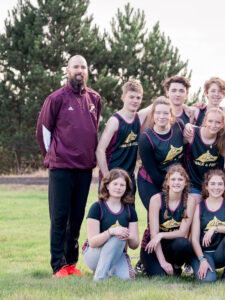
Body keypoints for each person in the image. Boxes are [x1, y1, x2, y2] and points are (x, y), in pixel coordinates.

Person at [36, 55, 102, 277]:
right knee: (59, 217)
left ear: (87, 70)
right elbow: (43, 132)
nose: (80, 70)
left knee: (76, 218)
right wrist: (52, 157)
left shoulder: (95, 98)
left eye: (83, 66)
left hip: (84, 169)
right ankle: (58, 265)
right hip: (61, 168)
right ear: (67, 70)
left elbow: (93, 130)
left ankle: (71, 264)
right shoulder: (55, 99)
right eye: (76, 66)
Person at [83, 169, 139, 280]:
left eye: (122, 185)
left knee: (127, 278)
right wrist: (110, 232)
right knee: (117, 238)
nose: (118, 187)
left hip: (117, 254)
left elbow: (134, 245)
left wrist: (128, 235)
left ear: (126, 188)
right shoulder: (97, 208)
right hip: (94, 254)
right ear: (107, 185)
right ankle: (100, 278)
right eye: (115, 184)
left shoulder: (130, 210)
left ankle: (108, 269)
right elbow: (93, 242)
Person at [140, 164, 195, 277]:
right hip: (152, 246)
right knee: (159, 276)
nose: (177, 182)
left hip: (173, 245)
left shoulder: (190, 201)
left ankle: (176, 266)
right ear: (167, 182)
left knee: (184, 244)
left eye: (180, 179)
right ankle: (152, 264)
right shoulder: (156, 199)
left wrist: (161, 235)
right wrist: (163, 262)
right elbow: (153, 234)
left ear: (185, 183)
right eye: (173, 179)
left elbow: (182, 232)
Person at [190, 170, 225, 282]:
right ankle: (199, 266)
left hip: (221, 253)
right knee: (208, 280)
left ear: (224, 187)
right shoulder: (199, 207)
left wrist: (215, 228)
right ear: (206, 187)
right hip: (203, 253)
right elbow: (193, 238)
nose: (216, 187)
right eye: (212, 184)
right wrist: (202, 260)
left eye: (220, 184)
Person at [137, 96, 188, 210]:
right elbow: (153, 173)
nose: (161, 116)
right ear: (153, 115)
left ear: (171, 114)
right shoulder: (146, 139)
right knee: (159, 215)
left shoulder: (178, 125)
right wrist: (170, 190)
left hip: (174, 180)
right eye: (158, 113)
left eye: (165, 113)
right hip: (151, 181)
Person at [96, 80, 144, 194]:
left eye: (138, 98)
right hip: (112, 179)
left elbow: (157, 103)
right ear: (123, 97)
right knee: (107, 211)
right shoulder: (115, 121)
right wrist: (107, 178)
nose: (135, 101)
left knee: (129, 212)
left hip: (128, 179)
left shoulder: (139, 118)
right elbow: (100, 150)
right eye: (131, 97)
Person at [186, 108, 225, 203]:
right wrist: (188, 124)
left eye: (217, 122)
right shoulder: (192, 134)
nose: (213, 125)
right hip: (193, 184)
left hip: (212, 185)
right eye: (210, 121)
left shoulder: (222, 139)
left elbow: (220, 168)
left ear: (222, 125)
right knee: (195, 204)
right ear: (205, 121)